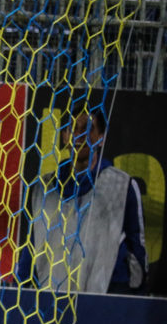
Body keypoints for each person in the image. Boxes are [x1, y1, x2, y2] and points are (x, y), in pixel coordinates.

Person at [17, 110, 148, 294]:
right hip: (53, 299)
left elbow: (137, 248)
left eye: (88, 128)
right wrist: (20, 290)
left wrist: (131, 298)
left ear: (101, 138)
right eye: (73, 128)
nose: (79, 135)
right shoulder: (44, 188)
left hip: (106, 299)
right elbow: (31, 246)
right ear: (65, 136)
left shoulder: (122, 186)